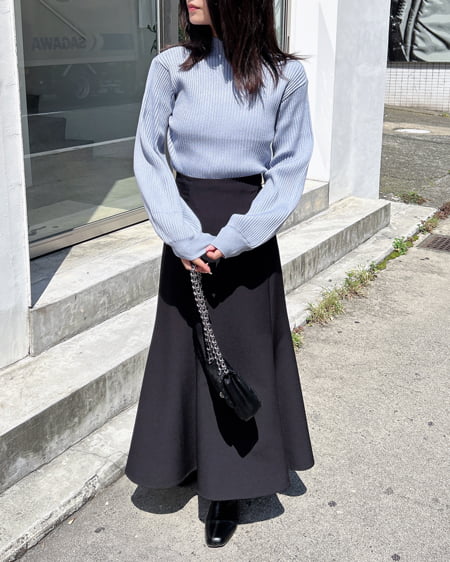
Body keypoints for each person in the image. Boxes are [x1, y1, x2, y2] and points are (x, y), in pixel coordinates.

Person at [125, 0, 315, 548]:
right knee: (185, 353)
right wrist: (181, 235)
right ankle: (184, 458)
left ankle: (229, 487)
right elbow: (148, 155)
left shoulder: (286, 76)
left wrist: (235, 238)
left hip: (247, 236)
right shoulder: (171, 67)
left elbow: (290, 167)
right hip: (183, 226)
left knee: (241, 356)